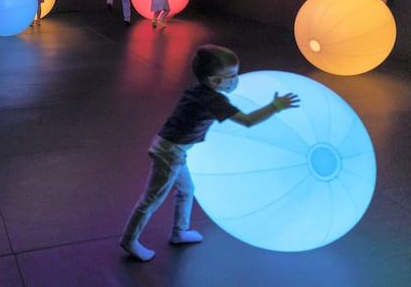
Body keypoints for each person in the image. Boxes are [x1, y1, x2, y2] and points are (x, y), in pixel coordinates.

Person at [120, 44, 300, 262]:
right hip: (170, 152)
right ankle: (129, 240)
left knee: (187, 190)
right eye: (232, 76)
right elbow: (248, 121)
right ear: (215, 81)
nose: (236, 80)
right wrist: (276, 106)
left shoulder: (198, 90)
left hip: (172, 149)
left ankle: (179, 232)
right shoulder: (213, 99)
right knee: (152, 199)